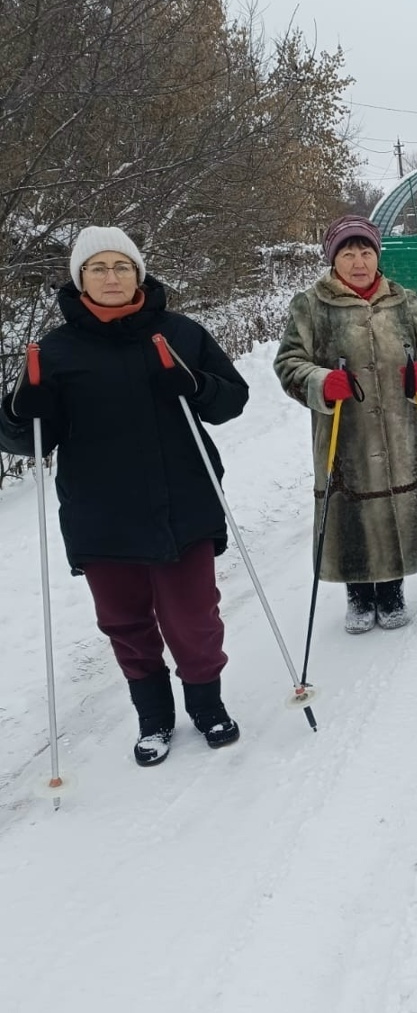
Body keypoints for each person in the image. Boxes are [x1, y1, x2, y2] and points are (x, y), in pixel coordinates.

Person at [0, 226, 248, 766]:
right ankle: (153, 717)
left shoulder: (180, 333)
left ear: (138, 273)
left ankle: (207, 705)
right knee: (126, 623)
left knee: (195, 618)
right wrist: (24, 410)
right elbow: (22, 436)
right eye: (97, 268)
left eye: (120, 266)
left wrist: (197, 386)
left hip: (182, 504)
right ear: (79, 278)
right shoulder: (56, 351)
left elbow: (231, 400)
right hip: (100, 513)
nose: (110, 277)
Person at [274, 215, 417, 633]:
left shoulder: (403, 302)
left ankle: (391, 591)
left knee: (395, 505)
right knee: (349, 510)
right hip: (343, 433)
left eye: (366, 251)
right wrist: (318, 381)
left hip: (399, 431)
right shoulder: (311, 305)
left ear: (377, 256)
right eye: (348, 252)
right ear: (334, 259)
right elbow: (288, 363)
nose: (358, 261)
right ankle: (357, 593)